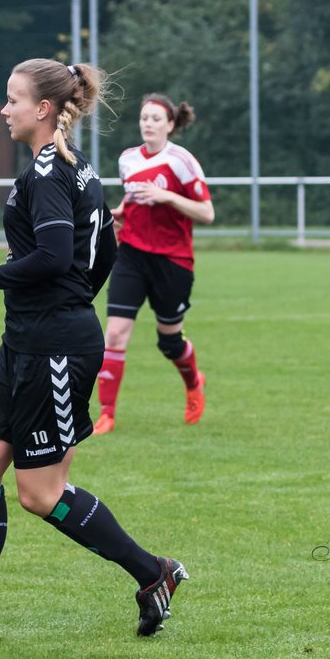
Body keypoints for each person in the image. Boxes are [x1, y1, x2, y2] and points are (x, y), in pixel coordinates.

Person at [0, 59, 189, 645]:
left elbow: (58, 257)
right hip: (27, 341)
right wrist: (76, 296)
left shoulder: (49, 173)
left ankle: (153, 571)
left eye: (12, 99)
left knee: (41, 492)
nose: (3, 109)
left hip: (54, 348)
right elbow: (106, 246)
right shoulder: (70, 166)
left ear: (42, 109)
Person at [92, 93, 215, 435]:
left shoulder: (182, 161)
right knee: (114, 333)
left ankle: (194, 382)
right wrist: (120, 215)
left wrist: (168, 197)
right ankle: (107, 413)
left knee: (169, 341)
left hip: (172, 260)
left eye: (156, 119)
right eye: (144, 118)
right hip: (130, 254)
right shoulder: (128, 159)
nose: (149, 123)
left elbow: (207, 213)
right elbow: (133, 201)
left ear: (171, 125)